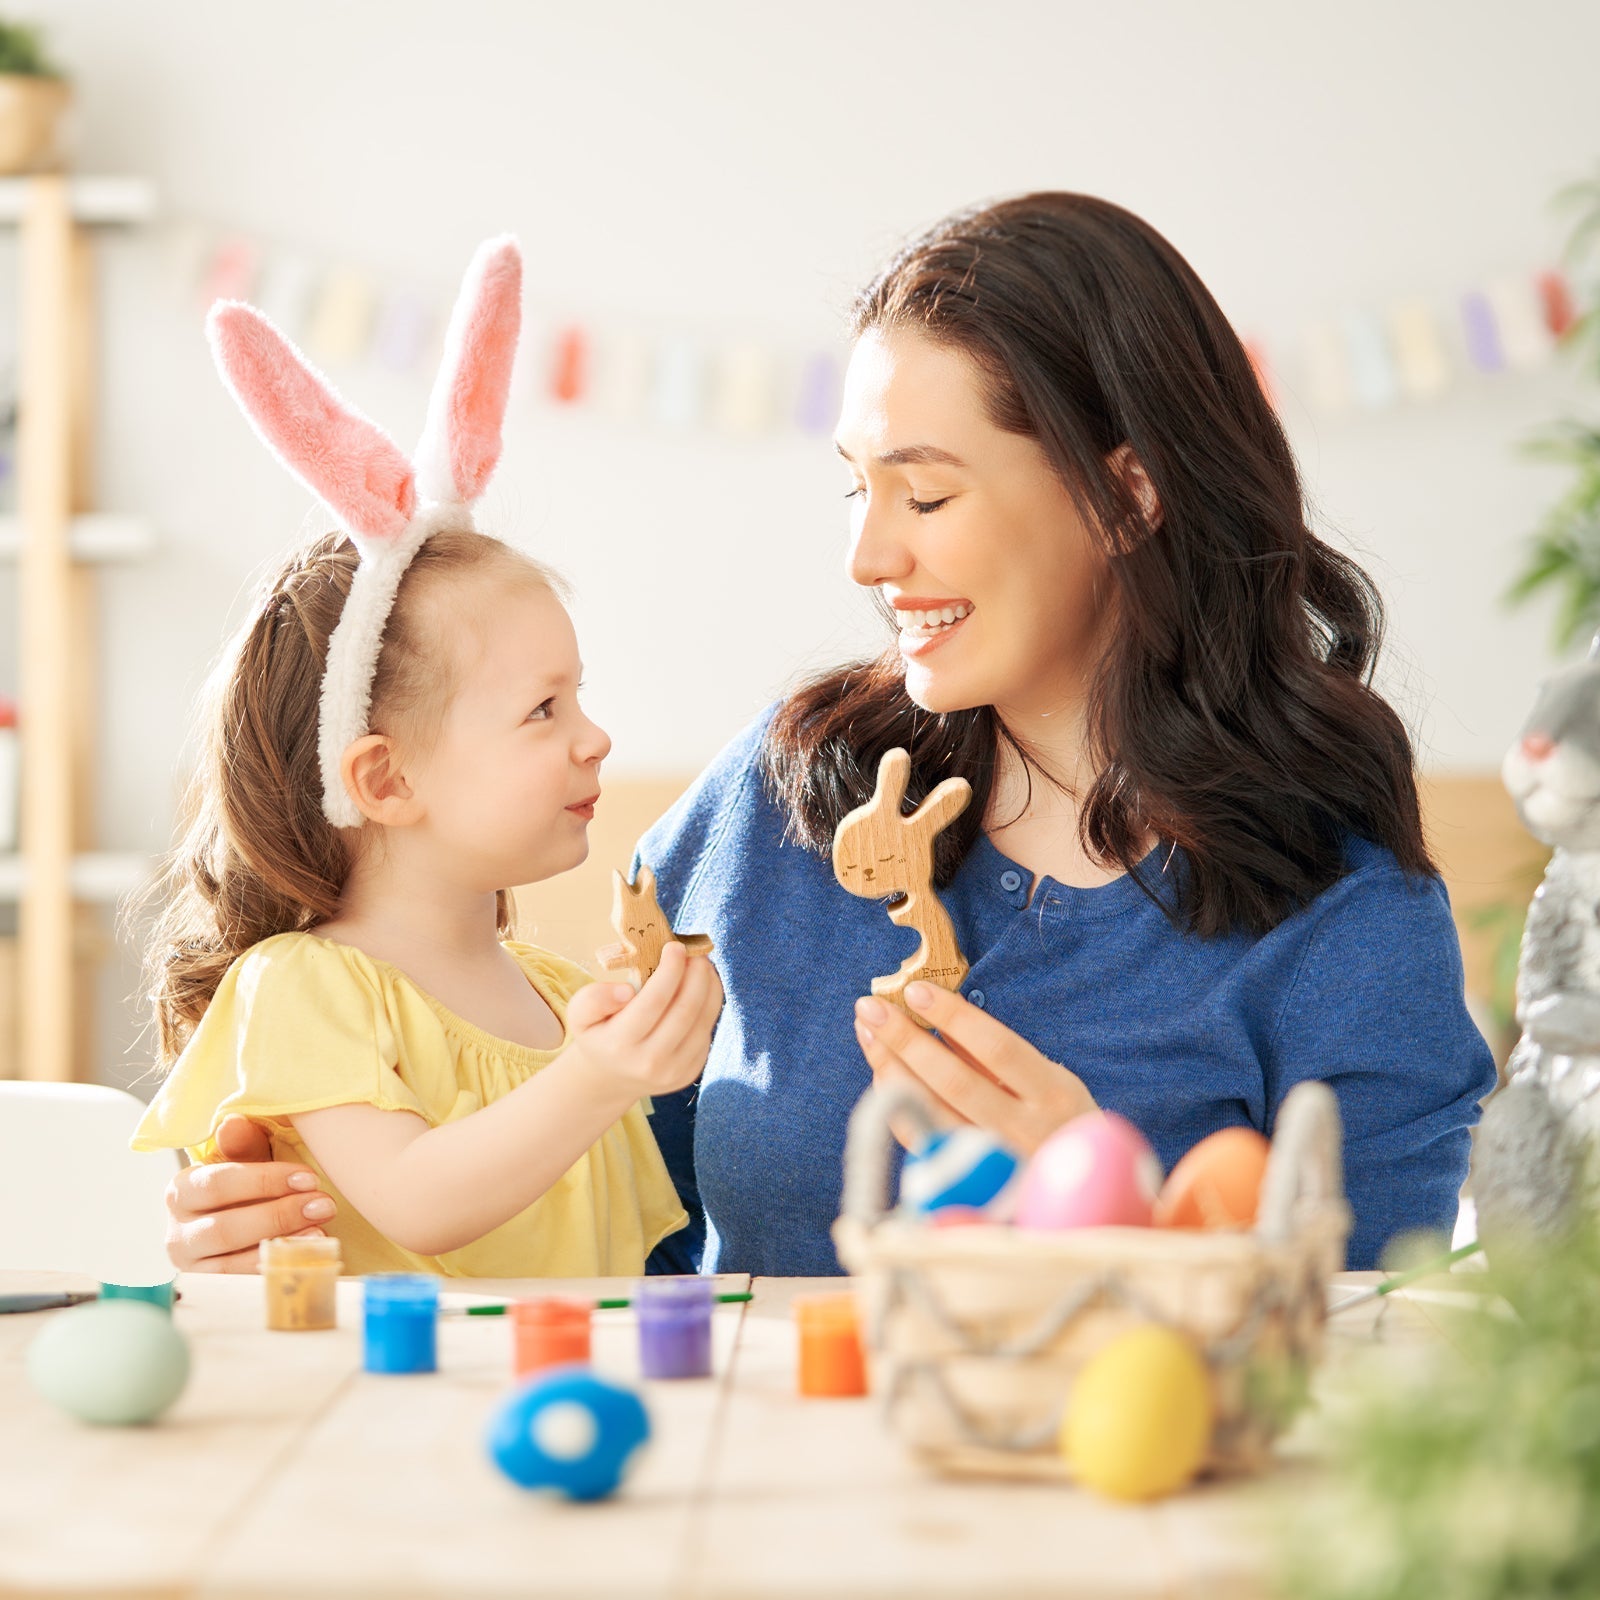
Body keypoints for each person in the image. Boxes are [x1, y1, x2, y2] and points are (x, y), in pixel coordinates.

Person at [161, 194, 1495, 1277]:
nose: (868, 556)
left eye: (925, 494)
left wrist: (1117, 1206)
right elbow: (592, 1194)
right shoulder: (782, 803)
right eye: (857, 488)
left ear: (1127, 494)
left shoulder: (1339, 911)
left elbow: (1389, 1364)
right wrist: (304, 1204)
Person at [133, 237, 721, 1277]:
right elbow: (419, 1201)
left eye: (578, 697)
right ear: (387, 780)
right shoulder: (304, 987)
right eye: (543, 709)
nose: (595, 737)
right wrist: (601, 1075)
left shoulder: (554, 991)